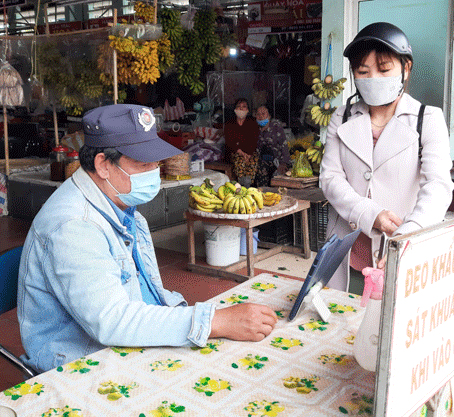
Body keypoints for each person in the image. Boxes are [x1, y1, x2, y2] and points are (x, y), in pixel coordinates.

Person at [17, 104, 277, 374]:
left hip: (125, 338)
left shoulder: (119, 205)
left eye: (155, 161)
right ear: (103, 165)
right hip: (85, 363)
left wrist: (205, 318)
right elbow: (112, 321)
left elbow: (142, 292)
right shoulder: (74, 227)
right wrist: (214, 322)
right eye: (143, 164)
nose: (155, 170)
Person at [319, 22, 454, 293]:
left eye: (384, 69)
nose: (374, 78)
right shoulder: (342, 116)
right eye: (363, 71)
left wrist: (407, 234)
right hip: (348, 246)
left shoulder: (427, 119)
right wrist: (369, 213)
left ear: (406, 68)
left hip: (401, 247)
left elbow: (438, 186)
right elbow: (330, 177)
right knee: (341, 322)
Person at [223, 98, 260, 182]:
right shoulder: (229, 123)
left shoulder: (252, 122)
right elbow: (229, 142)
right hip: (235, 152)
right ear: (235, 109)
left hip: (250, 152)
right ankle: (242, 184)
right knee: (239, 161)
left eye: (244, 106)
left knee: (252, 161)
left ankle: (248, 184)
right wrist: (241, 152)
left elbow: (254, 140)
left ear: (247, 110)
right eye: (238, 106)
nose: (241, 108)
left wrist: (249, 154)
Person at [254, 105, 291, 186]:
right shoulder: (254, 129)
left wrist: (283, 164)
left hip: (278, 162)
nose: (261, 116)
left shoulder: (276, 127)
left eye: (263, 114)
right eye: (258, 114)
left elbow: (284, 146)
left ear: (269, 116)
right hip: (262, 163)